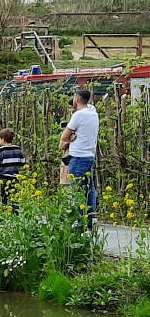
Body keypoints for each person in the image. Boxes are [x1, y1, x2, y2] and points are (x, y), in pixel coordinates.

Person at [61, 87, 100, 227]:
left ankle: (80, 220)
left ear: (76, 99)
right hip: (89, 155)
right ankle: (91, 218)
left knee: (78, 189)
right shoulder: (93, 112)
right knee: (89, 187)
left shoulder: (78, 116)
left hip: (78, 157)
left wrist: (70, 138)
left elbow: (64, 137)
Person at [0, 128, 27, 210]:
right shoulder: (17, 149)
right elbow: (22, 162)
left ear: (3, 139)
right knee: (14, 197)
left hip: (2, 178)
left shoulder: (1, 150)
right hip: (14, 178)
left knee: (3, 198)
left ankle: (4, 214)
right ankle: (15, 213)